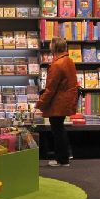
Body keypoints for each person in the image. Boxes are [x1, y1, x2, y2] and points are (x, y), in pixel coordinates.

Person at [35, 37, 78, 167]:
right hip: (66, 100)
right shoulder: (69, 60)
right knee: (60, 128)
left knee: (57, 130)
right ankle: (65, 156)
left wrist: (40, 104)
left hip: (58, 102)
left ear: (54, 47)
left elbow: (50, 89)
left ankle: (62, 159)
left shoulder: (57, 65)